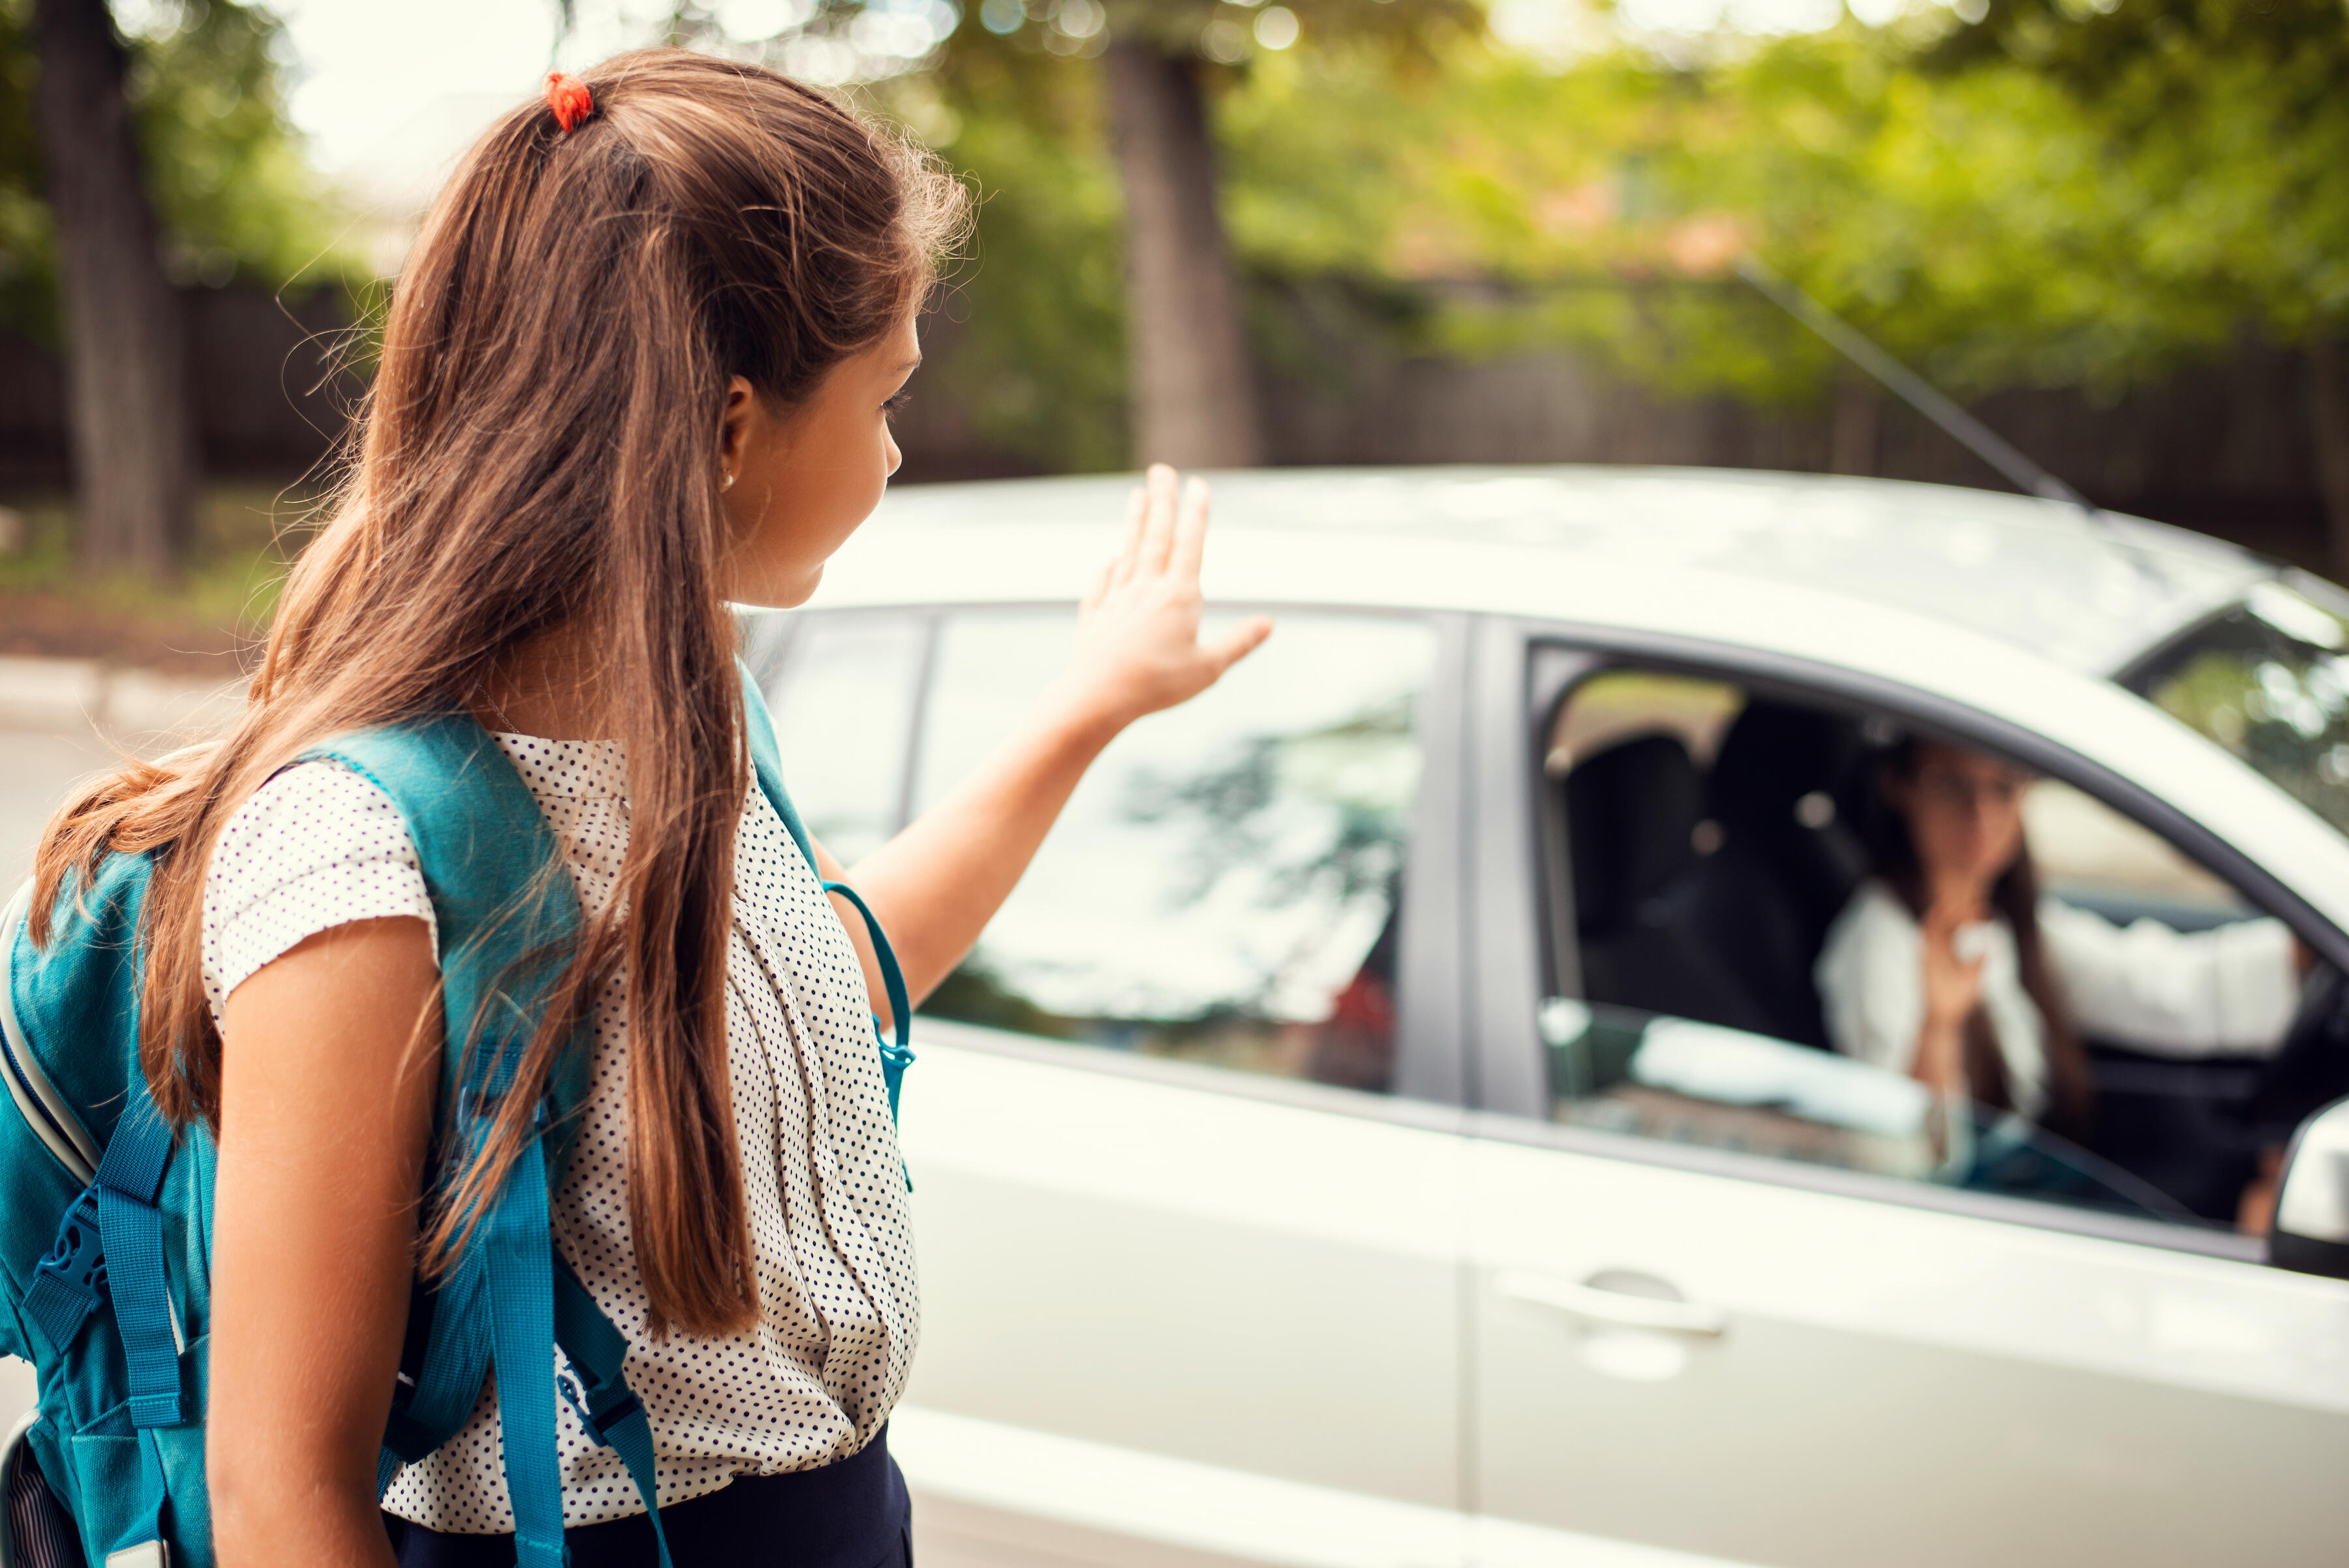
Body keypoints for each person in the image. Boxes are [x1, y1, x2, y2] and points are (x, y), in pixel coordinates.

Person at [29, 52, 1268, 1567]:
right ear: (733, 426)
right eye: (885, 398)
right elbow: (284, 1493)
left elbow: (803, 998)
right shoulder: (355, 855)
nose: (892, 452)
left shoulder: (694, 718)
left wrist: (1090, 706)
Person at [1813, 738, 2301, 1140]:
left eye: (2002, 789)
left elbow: (2155, 988)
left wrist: (2301, 956)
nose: (1981, 815)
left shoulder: (2011, 923)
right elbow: (1902, 1156)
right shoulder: (1880, 942)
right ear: (1901, 790)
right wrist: (1938, 1027)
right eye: (1953, 787)